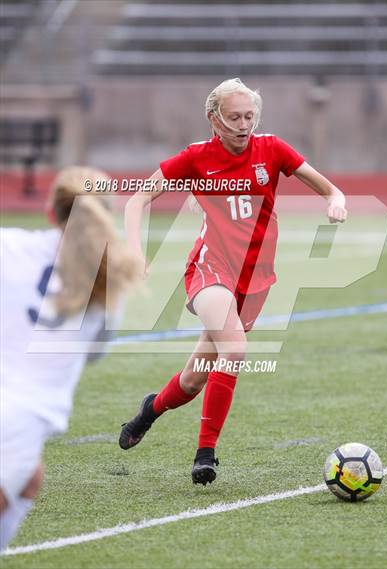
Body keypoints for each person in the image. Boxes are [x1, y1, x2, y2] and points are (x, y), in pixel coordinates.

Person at [120, 78, 347, 486]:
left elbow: (329, 188)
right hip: (211, 268)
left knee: (193, 380)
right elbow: (137, 198)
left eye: (249, 116)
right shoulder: (196, 158)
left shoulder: (272, 149)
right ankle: (205, 454)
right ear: (214, 119)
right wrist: (135, 251)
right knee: (236, 348)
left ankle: (150, 409)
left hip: (255, 279)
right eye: (234, 117)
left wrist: (335, 200)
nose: (244, 125)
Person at [0, 166, 138, 551]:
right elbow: (94, 354)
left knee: (31, 478)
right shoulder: (107, 282)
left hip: (16, 428)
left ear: (51, 212)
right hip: (18, 424)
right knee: (26, 475)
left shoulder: (9, 245)